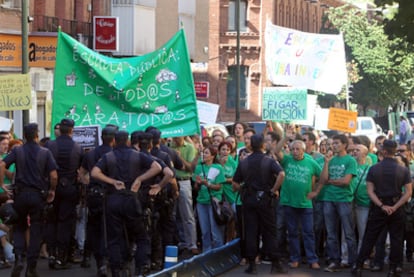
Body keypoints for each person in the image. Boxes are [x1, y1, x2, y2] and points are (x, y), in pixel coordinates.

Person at [91, 130, 162, 277]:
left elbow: (94, 173)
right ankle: (140, 269)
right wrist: (139, 179)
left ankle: (116, 270)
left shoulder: (108, 157)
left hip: (114, 200)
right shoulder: (137, 155)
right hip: (131, 199)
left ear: (115, 141)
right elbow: (157, 167)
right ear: (128, 141)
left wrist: (112, 181)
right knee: (141, 236)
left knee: (114, 238)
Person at [0, 123, 58, 277]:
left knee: (19, 227)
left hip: (20, 195)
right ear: (37, 135)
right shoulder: (45, 152)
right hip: (38, 195)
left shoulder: (18, 151)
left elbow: (2, 164)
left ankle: (19, 258)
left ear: (24, 136)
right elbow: (53, 175)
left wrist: (1, 184)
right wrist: (52, 190)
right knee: (36, 230)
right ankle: (31, 266)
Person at [352, 139, 412, 277]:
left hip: (379, 206)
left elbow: (370, 191)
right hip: (396, 207)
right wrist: (395, 206)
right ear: (395, 151)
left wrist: (381, 205)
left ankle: (358, 265)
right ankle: (393, 268)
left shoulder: (374, 168)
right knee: (396, 239)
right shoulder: (403, 170)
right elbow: (408, 192)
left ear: (383, 151)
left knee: (370, 237)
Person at [232, 134, 287, 274]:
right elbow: (281, 174)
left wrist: (244, 188)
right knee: (270, 232)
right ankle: (276, 264)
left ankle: (252, 264)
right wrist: (273, 190)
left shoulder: (244, 162)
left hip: (249, 201)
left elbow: (234, 183)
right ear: (263, 145)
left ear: (250, 145)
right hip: (265, 200)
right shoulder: (268, 161)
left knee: (251, 232)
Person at [44, 118, 84, 270]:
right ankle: (62, 257)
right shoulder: (77, 147)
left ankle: (52, 254)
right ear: (72, 130)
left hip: (52, 188)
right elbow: (81, 170)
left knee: (51, 221)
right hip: (69, 189)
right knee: (65, 223)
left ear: (60, 129)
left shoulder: (49, 145)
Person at [78, 126, 117, 276]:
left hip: (94, 195)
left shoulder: (91, 153)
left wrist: (87, 183)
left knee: (93, 227)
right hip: (109, 194)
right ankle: (103, 261)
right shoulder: (114, 154)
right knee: (108, 229)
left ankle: (89, 257)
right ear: (113, 139)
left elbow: (81, 173)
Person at [277, 139, 322, 269]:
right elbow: (276, 151)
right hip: (289, 203)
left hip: (305, 204)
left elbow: (323, 177)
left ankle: (312, 259)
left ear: (303, 150)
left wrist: (316, 191)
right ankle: (294, 259)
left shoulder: (311, 162)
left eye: (297, 149)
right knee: (292, 232)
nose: (295, 152)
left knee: (308, 232)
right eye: (293, 149)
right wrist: (284, 137)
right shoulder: (287, 160)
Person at [319, 134, 358, 272]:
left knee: (348, 232)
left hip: (344, 200)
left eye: (336, 143)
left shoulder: (350, 161)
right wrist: (326, 163)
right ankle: (334, 261)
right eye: (333, 143)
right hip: (329, 199)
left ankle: (353, 261)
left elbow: (346, 181)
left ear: (344, 145)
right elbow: (323, 180)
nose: (333, 145)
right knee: (331, 233)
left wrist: (332, 181)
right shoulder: (331, 160)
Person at [193, 145, 226, 252]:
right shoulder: (199, 168)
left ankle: (218, 252)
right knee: (204, 230)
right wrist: (198, 184)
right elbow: (195, 187)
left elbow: (219, 186)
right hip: (201, 202)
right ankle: (206, 252)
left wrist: (208, 185)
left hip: (214, 201)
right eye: (203, 153)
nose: (204, 155)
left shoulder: (218, 168)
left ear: (212, 156)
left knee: (215, 230)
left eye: (206, 153)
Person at [171, 136, 199, 256]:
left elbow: (190, 168)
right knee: (174, 214)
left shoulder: (189, 147)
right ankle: (182, 241)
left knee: (187, 214)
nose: (175, 139)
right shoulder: (169, 146)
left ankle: (192, 243)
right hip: (172, 181)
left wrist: (179, 157)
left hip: (184, 181)